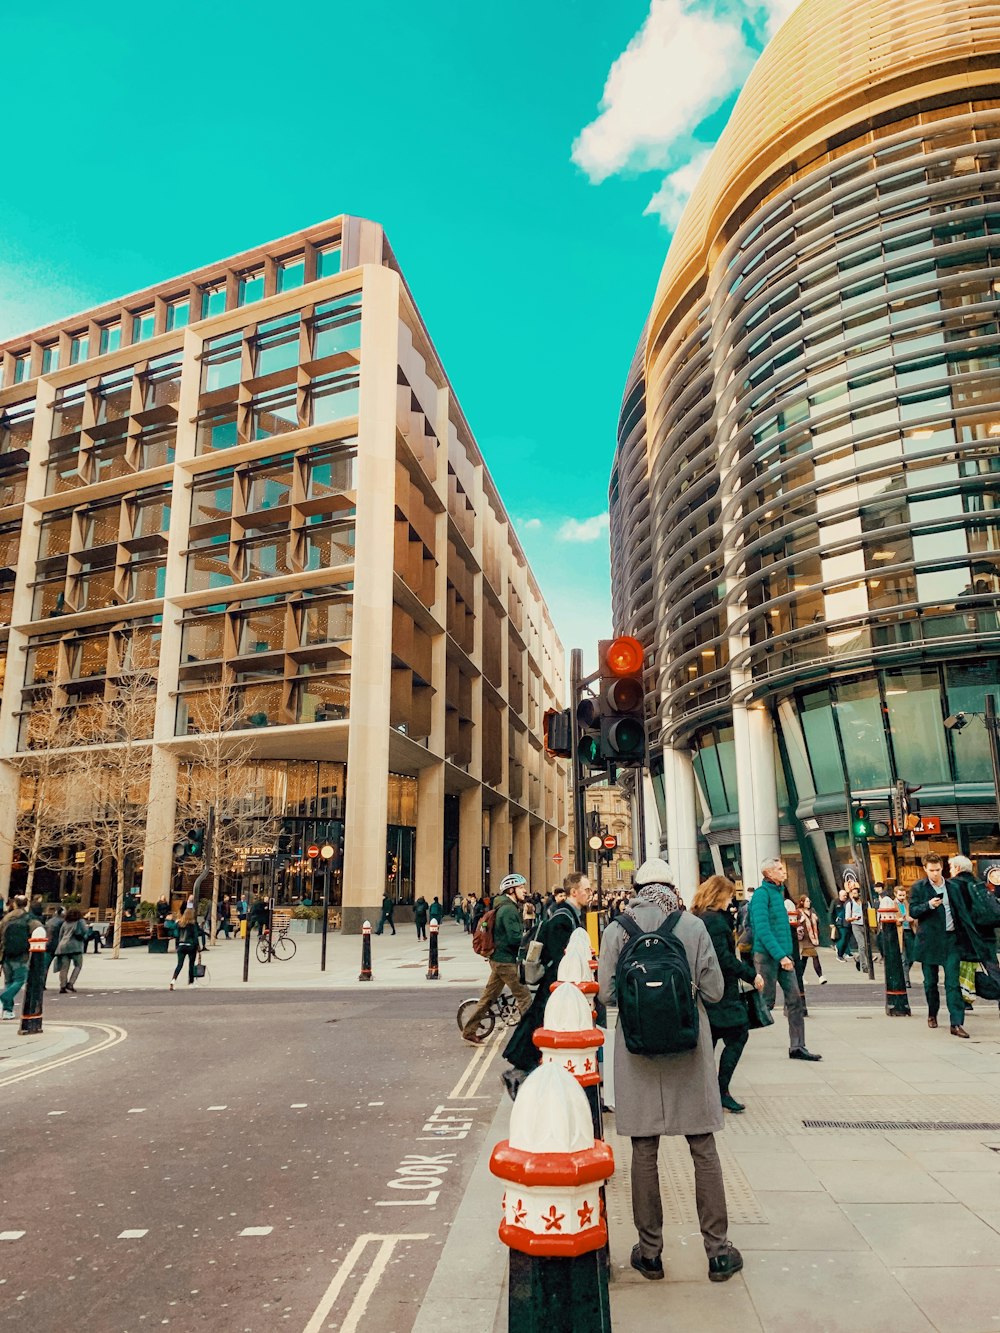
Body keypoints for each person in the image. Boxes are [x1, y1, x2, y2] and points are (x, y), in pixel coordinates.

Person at [597, 858, 743, 1284]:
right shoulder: (692, 926)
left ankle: (650, 1252)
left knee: (644, 1151)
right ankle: (717, 1253)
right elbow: (715, 992)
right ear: (671, 887)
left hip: (638, 1050)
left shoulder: (616, 929)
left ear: (638, 887)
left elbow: (606, 993)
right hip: (687, 1046)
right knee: (703, 1147)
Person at [501, 872, 593, 1079]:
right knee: (540, 1017)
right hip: (556, 980)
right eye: (586, 890)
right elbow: (559, 953)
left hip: (556, 980)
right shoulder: (564, 917)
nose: (590, 893)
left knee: (539, 1016)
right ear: (574, 892)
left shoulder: (569, 914)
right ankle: (520, 1066)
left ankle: (523, 1064)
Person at [691, 875, 765, 1114]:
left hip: (711, 989)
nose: (731, 899)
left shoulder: (703, 917)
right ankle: (719, 1091)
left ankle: (707, 1093)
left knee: (710, 1040)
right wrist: (750, 974)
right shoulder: (714, 921)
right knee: (737, 1034)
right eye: (729, 894)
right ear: (718, 894)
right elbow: (722, 958)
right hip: (720, 990)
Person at [910, 853, 992, 1037]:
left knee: (952, 983)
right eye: (931, 870)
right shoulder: (919, 888)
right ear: (925, 869)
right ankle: (932, 1013)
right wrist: (929, 905)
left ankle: (956, 1023)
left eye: (938, 870)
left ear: (942, 868)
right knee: (930, 983)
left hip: (951, 940)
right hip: (929, 942)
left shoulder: (953, 887)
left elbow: (963, 910)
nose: (935, 874)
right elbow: (913, 911)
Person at [749, 857, 821, 1062]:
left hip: (783, 955)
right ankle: (734, 1036)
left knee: (794, 1000)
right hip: (768, 956)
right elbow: (762, 929)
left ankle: (798, 1046)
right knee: (765, 1002)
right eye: (779, 869)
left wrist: (786, 955)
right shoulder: (762, 896)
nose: (784, 872)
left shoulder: (779, 893)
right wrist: (781, 956)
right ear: (769, 873)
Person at [461, 873, 532, 1045]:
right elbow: (515, 938)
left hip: (499, 958)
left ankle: (469, 1031)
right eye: (521, 887)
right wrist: (530, 939)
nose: (525, 891)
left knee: (488, 997)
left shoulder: (507, 907)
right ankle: (531, 1036)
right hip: (504, 961)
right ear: (511, 890)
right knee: (524, 997)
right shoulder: (508, 910)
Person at [0, 895, 43, 1019]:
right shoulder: (28, 918)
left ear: (14, 904)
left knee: (8, 982)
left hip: (6, 954)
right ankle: (4, 997)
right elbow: (39, 930)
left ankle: (8, 1011)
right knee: (19, 980)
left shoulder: (6, 918)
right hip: (21, 954)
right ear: (26, 904)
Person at [55, 908, 88, 994]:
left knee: (64, 967)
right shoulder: (80, 921)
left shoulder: (65, 923)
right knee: (78, 965)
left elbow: (60, 935)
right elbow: (85, 931)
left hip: (63, 946)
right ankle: (70, 983)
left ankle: (62, 986)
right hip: (75, 946)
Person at [795, 895, 827, 986]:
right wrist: (800, 921)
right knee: (814, 956)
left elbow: (817, 922)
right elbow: (794, 923)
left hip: (812, 937)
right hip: (804, 938)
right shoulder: (799, 912)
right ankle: (820, 976)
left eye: (809, 901)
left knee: (804, 959)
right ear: (802, 902)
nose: (809, 903)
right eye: (807, 901)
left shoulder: (812, 911)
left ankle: (800, 976)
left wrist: (816, 919)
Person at [169, 909, 202, 989]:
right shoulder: (193, 924)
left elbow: (176, 934)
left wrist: (177, 945)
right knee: (191, 964)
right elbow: (195, 936)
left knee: (179, 964)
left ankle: (173, 980)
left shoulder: (180, 924)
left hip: (181, 945)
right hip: (190, 945)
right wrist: (198, 947)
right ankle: (191, 983)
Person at [44, 903, 66, 985]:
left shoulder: (49, 921)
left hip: (48, 945)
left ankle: (42, 984)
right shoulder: (62, 922)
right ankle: (63, 984)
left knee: (45, 966)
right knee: (64, 967)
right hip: (58, 945)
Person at [844, 886, 866, 968]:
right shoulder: (850, 904)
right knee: (862, 945)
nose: (853, 895)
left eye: (855, 893)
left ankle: (858, 958)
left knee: (867, 946)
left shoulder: (865, 903)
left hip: (865, 925)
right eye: (852, 893)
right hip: (856, 925)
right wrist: (854, 918)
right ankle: (864, 966)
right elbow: (847, 918)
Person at [833, 887, 853, 959]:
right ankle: (839, 951)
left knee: (847, 938)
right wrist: (832, 923)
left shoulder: (848, 902)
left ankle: (847, 952)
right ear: (839, 895)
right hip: (840, 923)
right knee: (843, 938)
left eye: (846, 895)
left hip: (848, 923)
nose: (845, 897)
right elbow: (831, 912)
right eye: (843, 895)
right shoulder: (835, 902)